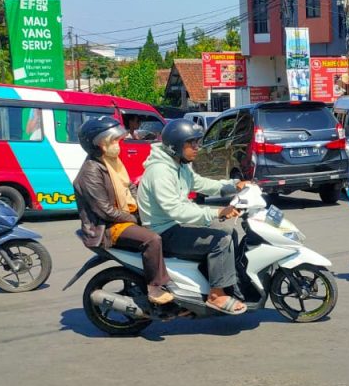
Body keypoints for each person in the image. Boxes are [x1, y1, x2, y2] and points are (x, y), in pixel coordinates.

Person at [137, 119, 249, 315]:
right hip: (165, 231)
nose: (197, 148)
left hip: (177, 224)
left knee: (229, 231)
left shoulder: (179, 163)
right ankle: (216, 295)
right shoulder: (160, 171)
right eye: (192, 144)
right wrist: (217, 212)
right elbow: (176, 210)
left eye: (197, 142)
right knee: (221, 239)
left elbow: (199, 183)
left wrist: (231, 186)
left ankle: (228, 282)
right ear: (175, 147)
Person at [73, 117, 172, 305]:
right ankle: (155, 287)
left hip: (123, 219)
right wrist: (135, 218)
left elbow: (129, 188)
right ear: (99, 144)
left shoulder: (112, 162)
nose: (118, 145)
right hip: (107, 227)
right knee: (152, 239)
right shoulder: (91, 171)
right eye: (113, 141)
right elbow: (105, 211)